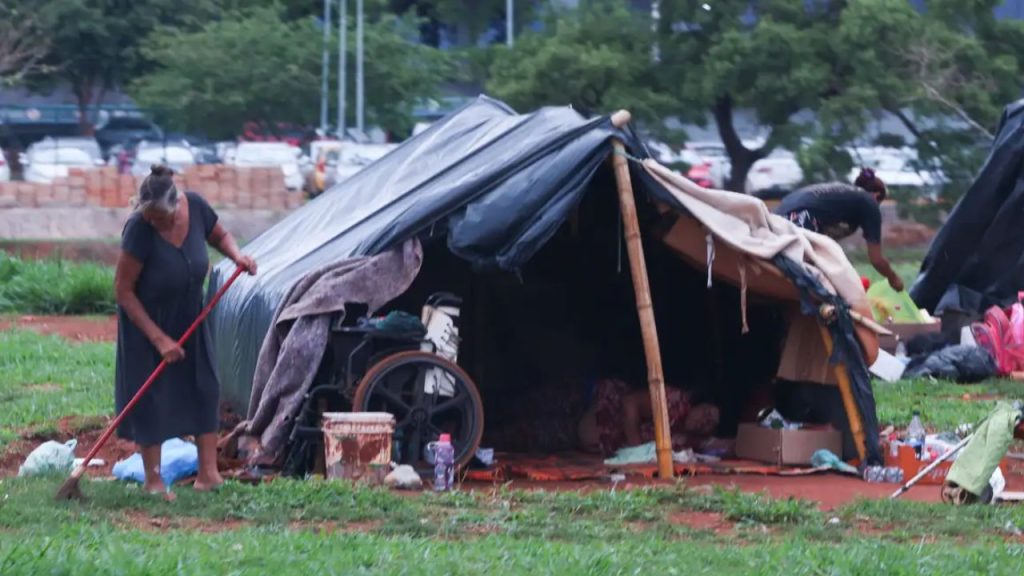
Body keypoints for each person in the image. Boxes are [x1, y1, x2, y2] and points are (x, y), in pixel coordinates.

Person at [114, 165, 256, 498]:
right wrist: (159, 339)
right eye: (149, 218)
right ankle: (153, 481)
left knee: (205, 386)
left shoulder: (197, 206)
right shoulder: (138, 229)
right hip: (148, 322)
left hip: (191, 315)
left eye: (161, 219)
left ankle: (209, 475)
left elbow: (219, 235)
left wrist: (237, 256)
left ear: (177, 205)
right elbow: (123, 290)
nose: (154, 224)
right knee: (152, 398)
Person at [775, 168, 904, 291]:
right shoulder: (869, 202)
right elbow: (876, 259)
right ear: (876, 195)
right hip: (800, 221)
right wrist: (893, 278)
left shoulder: (843, 195)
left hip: (776, 219)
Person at [577, 378, 720, 456]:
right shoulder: (675, 401)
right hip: (608, 409)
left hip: (602, 444)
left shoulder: (687, 438)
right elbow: (630, 403)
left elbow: (723, 445)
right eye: (707, 413)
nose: (704, 421)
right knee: (588, 434)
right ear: (697, 404)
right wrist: (638, 451)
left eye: (710, 424)